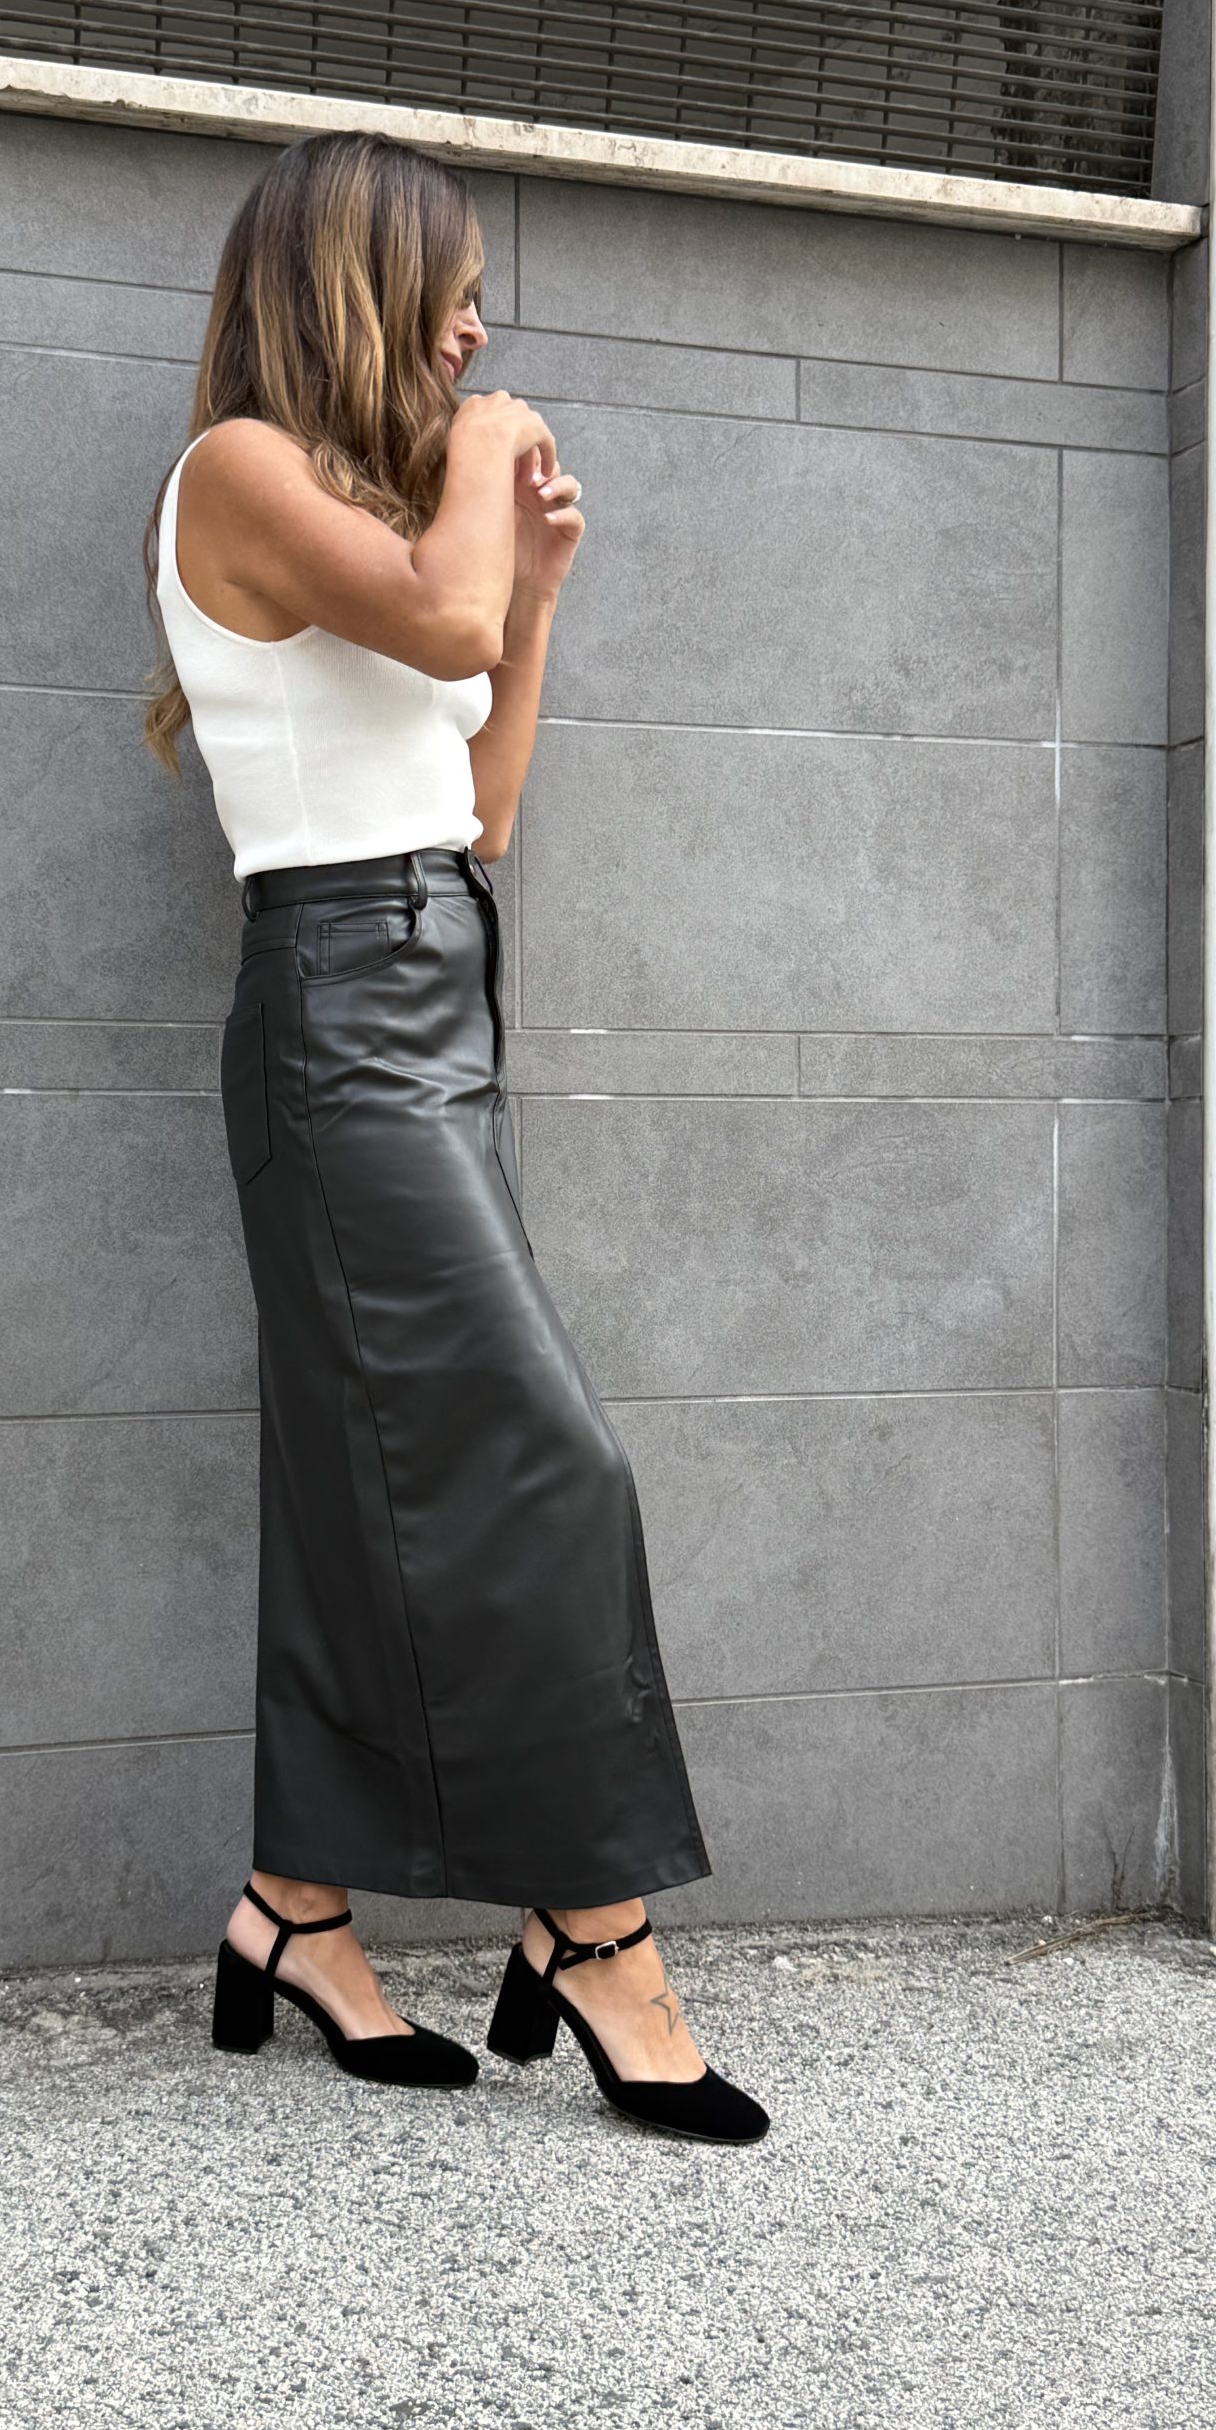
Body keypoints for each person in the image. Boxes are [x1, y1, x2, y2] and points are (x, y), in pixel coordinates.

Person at [141, 129, 767, 2147]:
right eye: (455, 293)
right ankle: (597, 1933)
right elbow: (434, 625)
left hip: (424, 985)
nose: (478, 333)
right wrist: (490, 463)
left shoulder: (367, 510)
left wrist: (540, 585)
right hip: (339, 1008)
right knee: (550, 1461)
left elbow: (477, 803)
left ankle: (292, 1915)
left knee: (361, 1484)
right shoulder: (238, 468)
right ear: (359, 282)